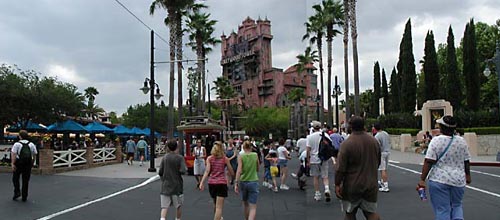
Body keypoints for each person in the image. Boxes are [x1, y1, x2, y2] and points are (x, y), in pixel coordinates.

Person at [417, 115, 471, 220]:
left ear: (441, 127)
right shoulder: (462, 141)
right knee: (457, 205)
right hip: (458, 180)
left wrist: (422, 179)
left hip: (439, 179)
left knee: (443, 209)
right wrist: (468, 175)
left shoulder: (436, 141)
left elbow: (429, 161)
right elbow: (466, 160)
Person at [335, 116, 381, 220]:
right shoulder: (373, 141)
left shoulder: (347, 144)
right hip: (370, 183)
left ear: (350, 127)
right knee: (371, 212)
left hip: (352, 185)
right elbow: (378, 161)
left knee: (350, 213)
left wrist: (337, 183)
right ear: (363, 126)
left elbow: (340, 168)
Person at [199, 142, 235, 220]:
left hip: (212, 183)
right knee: (219, 207)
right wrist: (233, 177)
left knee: (215, 203)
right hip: (221, 182)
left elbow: (207, 171)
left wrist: (202, 182)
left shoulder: (209, 158)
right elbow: (231, 170)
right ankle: (218, 217)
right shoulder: (224, 159)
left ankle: (218, 217)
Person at [159, 140, 187, 220]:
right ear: (176, 147)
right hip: (177, 186)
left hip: (165, 186)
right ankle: (178, 219)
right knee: (178, 206)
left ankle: (162, 218)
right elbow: (183, 170)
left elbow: (160, 171)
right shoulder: (179, 158)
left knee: (164, 207)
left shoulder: (164, 158)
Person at [306, 121, 333, 202]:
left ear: (313, 128)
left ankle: (317, 194)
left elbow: (308, 150)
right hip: (324, 158)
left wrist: (308, 160)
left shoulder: (310, 137)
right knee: (325, 176)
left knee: (316, 177)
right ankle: (327, 189)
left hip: (314, 159)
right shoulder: (326, 135)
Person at [234, 141, 260, 220]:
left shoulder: (241, 156)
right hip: (253, 180)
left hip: (243, 181)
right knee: (253, 207)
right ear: (251, 147)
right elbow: (258, 168)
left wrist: (236, 182)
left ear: (243, 148)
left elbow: (239, 170)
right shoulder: (255, 155)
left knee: (245, 204)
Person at [11, 130, 38, 202]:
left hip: (19, 163)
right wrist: (32, 162)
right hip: (27, 163)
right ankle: (24, 196)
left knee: (15, 178)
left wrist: (13, 163)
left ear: (20, 136)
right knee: (25, 180)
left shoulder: (17, 144)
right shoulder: (31, 144)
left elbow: (14, 154)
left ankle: (17, 192)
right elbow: (34, 154)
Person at [372, 122, 392, 192]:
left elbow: (377, 146)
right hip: (387, 151)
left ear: (375, 128)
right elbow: (389, 141)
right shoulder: (385, 133)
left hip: (381, 153)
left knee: (382, 169)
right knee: (385, 168)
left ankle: (385, 186)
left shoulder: (377, 136)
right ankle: (383, 181)